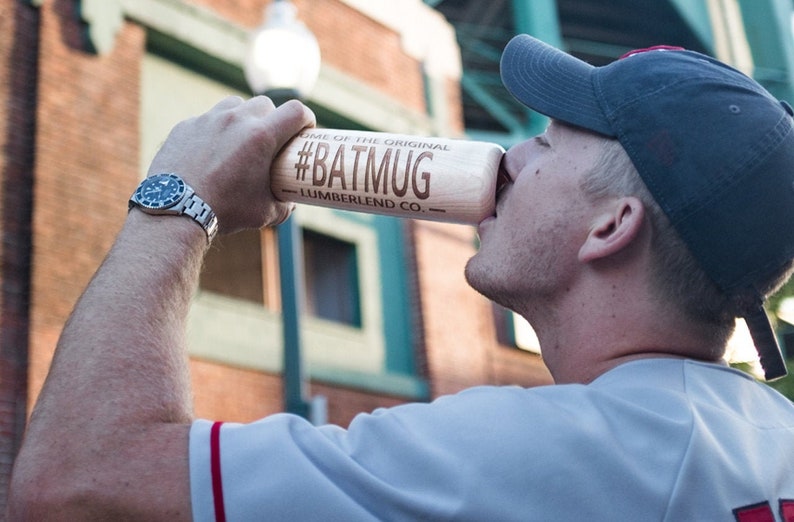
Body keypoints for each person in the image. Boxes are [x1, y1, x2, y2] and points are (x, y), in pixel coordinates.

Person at [8, 34, 794, 521]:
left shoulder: (533, 451)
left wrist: (175, 202)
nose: (510, 156)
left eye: (548, 145)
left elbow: (79, 485)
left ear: (611, 226)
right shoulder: (770, 437)